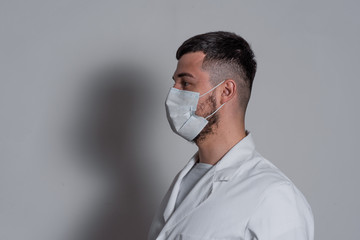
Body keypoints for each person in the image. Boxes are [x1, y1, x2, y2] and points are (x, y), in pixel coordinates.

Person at [148, 31, 314, 240]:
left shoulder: (273, 196)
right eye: (174, 83)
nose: (173, 93)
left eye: (186, 83)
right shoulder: (183, 181)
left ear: (226, 91)